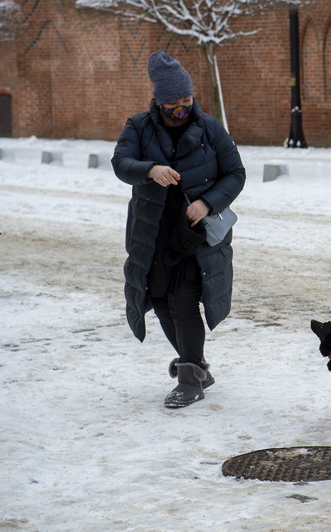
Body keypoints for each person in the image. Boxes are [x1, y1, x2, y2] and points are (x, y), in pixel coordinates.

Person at [112, 51, 245, 409]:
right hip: (151, 233)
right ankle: (197, 365)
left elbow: (236, 173)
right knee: (158, 299)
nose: (181, 108)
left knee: (184, 303)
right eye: (173, 103)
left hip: (194, 234)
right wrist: (150, 170)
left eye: (186, 100)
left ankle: (190, 380)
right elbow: (120, 163)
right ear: (158, 99)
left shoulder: (211, 128)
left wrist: (207, 203)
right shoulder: (138, 126)